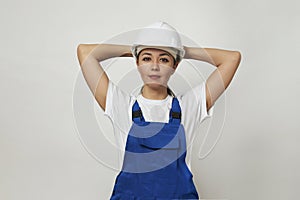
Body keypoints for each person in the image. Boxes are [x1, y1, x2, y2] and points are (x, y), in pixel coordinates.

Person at [77, 22, 241, 199]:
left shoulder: (189, 106)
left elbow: (232, 58)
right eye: (146, 58)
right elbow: (85, 52)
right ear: (137, 63)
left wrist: (182, 51)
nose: (154, 66)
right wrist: (134, 50)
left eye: (164, 59)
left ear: (175, 66)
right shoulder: (120, 104)